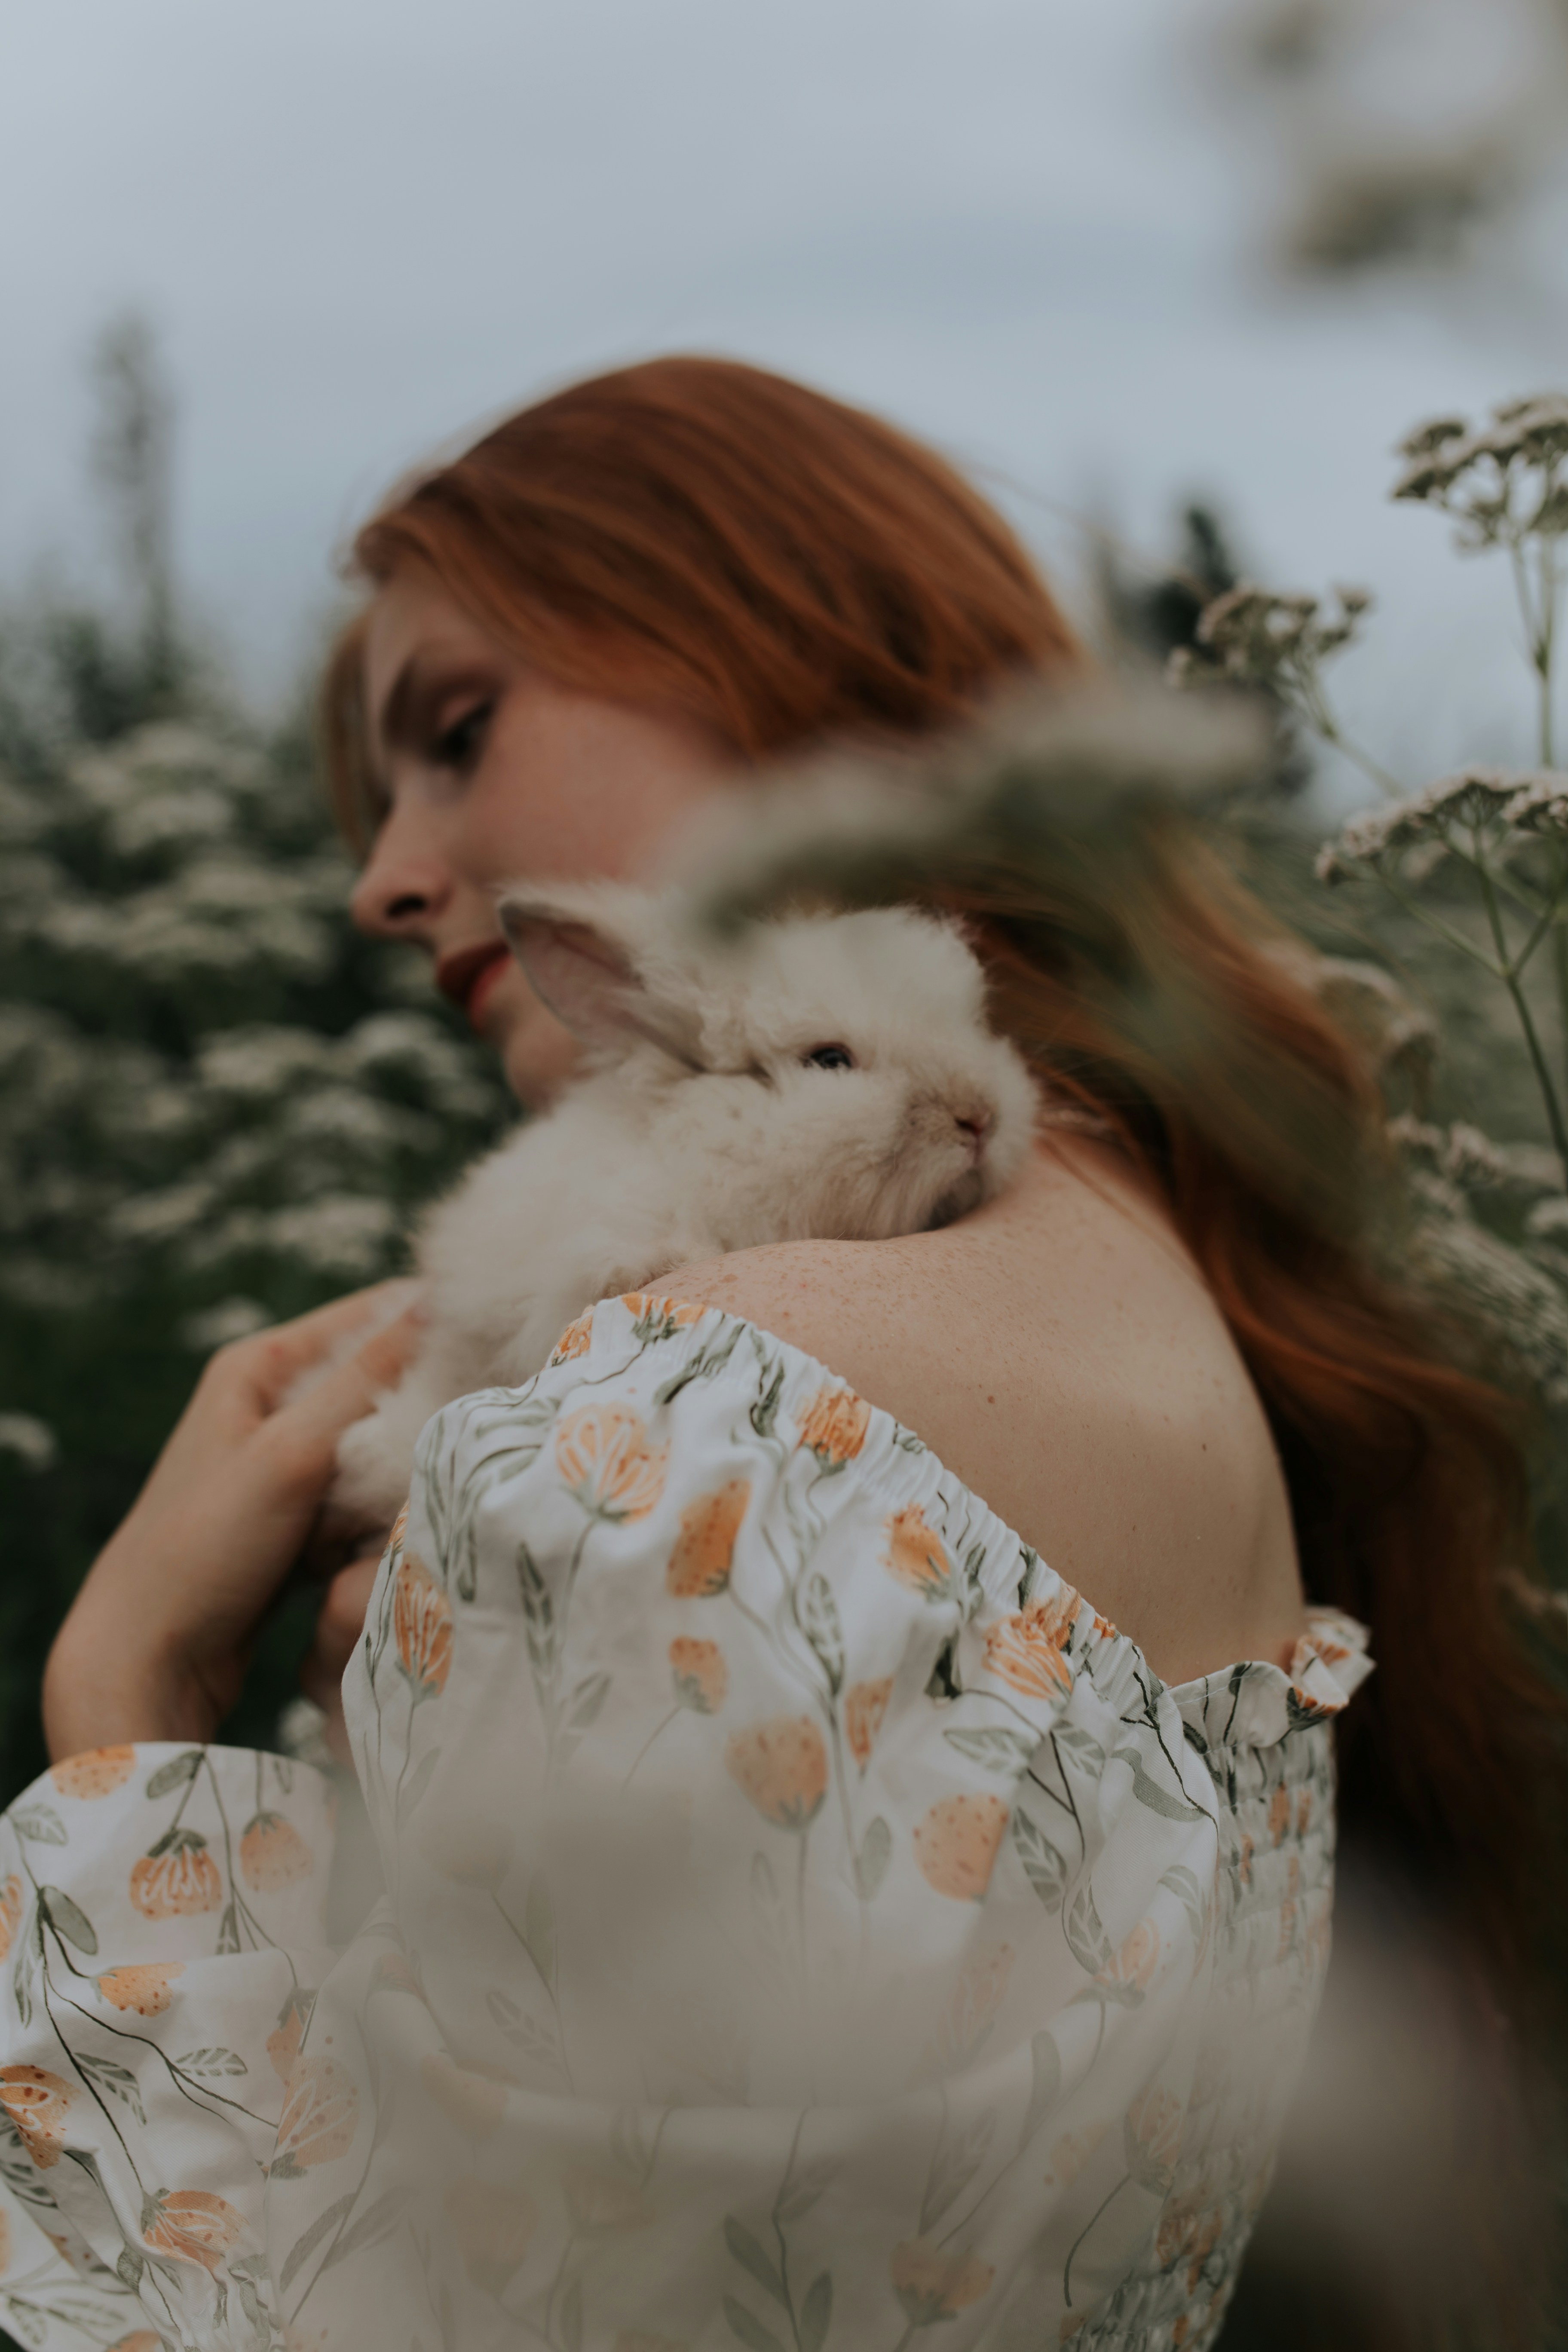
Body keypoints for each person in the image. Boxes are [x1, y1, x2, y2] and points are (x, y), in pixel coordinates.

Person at [0, 359, 1542, 2352]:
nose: (384, 879)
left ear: (802, 659)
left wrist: (129, 1721)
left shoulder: (702, 1418)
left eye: (455, 736)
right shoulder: (1175, 1298)